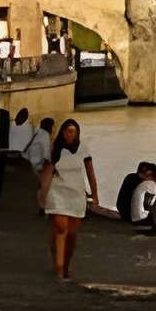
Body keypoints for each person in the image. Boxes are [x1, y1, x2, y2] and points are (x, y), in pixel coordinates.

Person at [40, 117, 97, 280]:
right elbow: (47, 174)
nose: (70, 134)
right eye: (67, 130)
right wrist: (42, 196)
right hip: (58, 193)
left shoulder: (83, 149)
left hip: (76, 194)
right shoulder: (54, 150)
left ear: (78, 133)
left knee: (71, 234)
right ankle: (58, 269)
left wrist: (95, 194)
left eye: (73, 131)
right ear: (62, 132)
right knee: (61, 230)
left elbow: (90, 174)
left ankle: (66, 265)